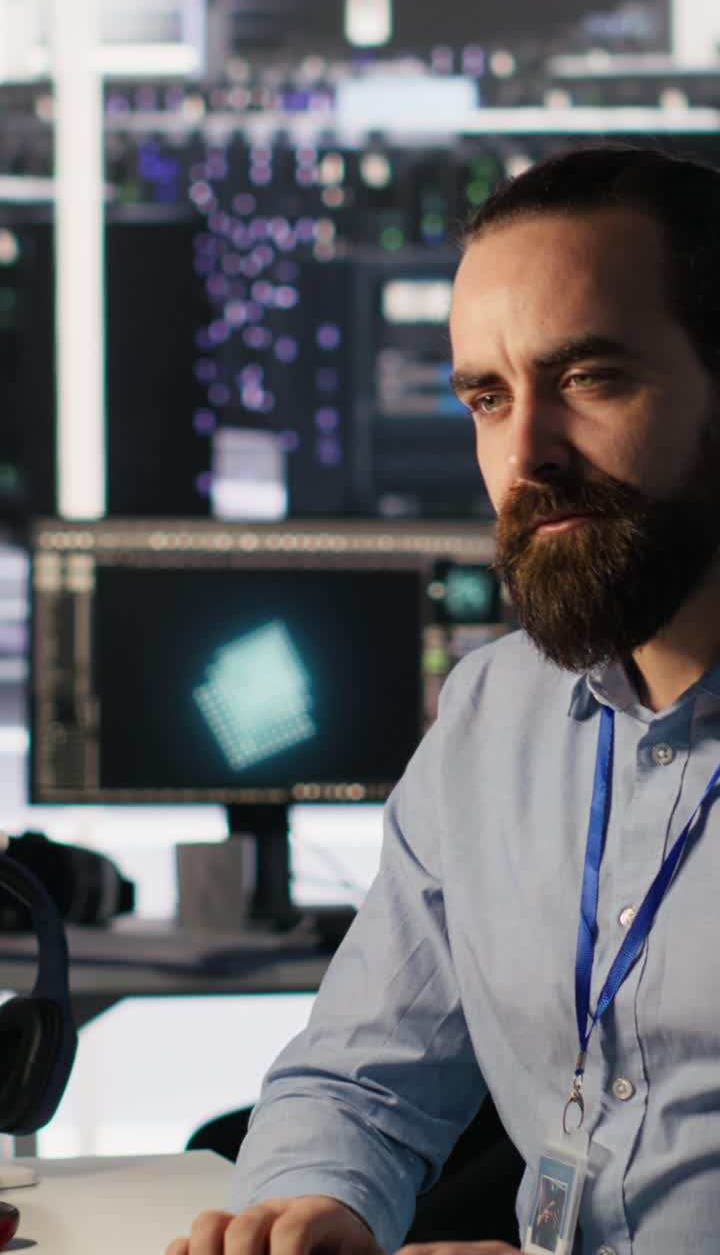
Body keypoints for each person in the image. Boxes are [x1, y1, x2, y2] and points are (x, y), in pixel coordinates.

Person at [167, 143, 720, 1255]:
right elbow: (360, 1075)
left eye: (590, 378)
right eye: (488, 397)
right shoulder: (491, 715)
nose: (525, 454)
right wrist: (317, 1204)